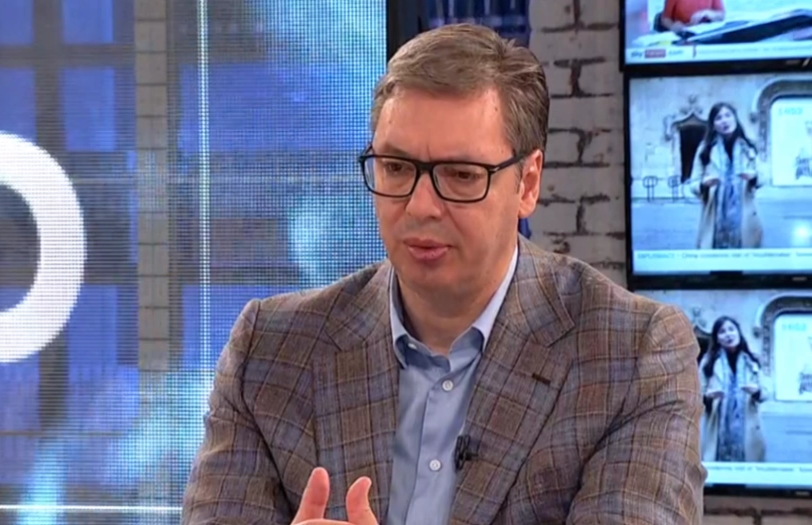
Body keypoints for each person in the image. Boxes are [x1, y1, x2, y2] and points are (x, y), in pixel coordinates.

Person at [182, 23, 705, 525]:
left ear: (527, 184)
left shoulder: (632, 354)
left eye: (460, 175)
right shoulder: (270, 350)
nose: (420, 206)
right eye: (396, 168)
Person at [687, 102, 762, 250]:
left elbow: (763, 176)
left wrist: (753, 177)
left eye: (728, 115)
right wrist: (704, 184)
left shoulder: (748, 147)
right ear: (713, 125)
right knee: (715, 259)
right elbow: (693, 183)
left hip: (745, 215)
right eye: (718, 118)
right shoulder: (705, 149)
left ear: (735, 118)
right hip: (713, 217)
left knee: (744, 258)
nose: (724, 121)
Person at [699, 316, 768, 463]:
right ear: (717, 339)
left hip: (748, 426)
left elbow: (766, 391)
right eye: (722, 331)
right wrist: (708, 397)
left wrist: (756, 392)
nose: (728, 334)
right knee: (718, 470)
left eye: (731, 329)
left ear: (738, 333)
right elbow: (696, 395)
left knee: (747, 469)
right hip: (717, 427)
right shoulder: (708, 362)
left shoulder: (752, 360)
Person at [660, 0, 725, 34]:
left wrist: (706, 13)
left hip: (706, 34)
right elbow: (665, 18)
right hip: (683, 34)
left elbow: (721, 15)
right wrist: (672, 26)